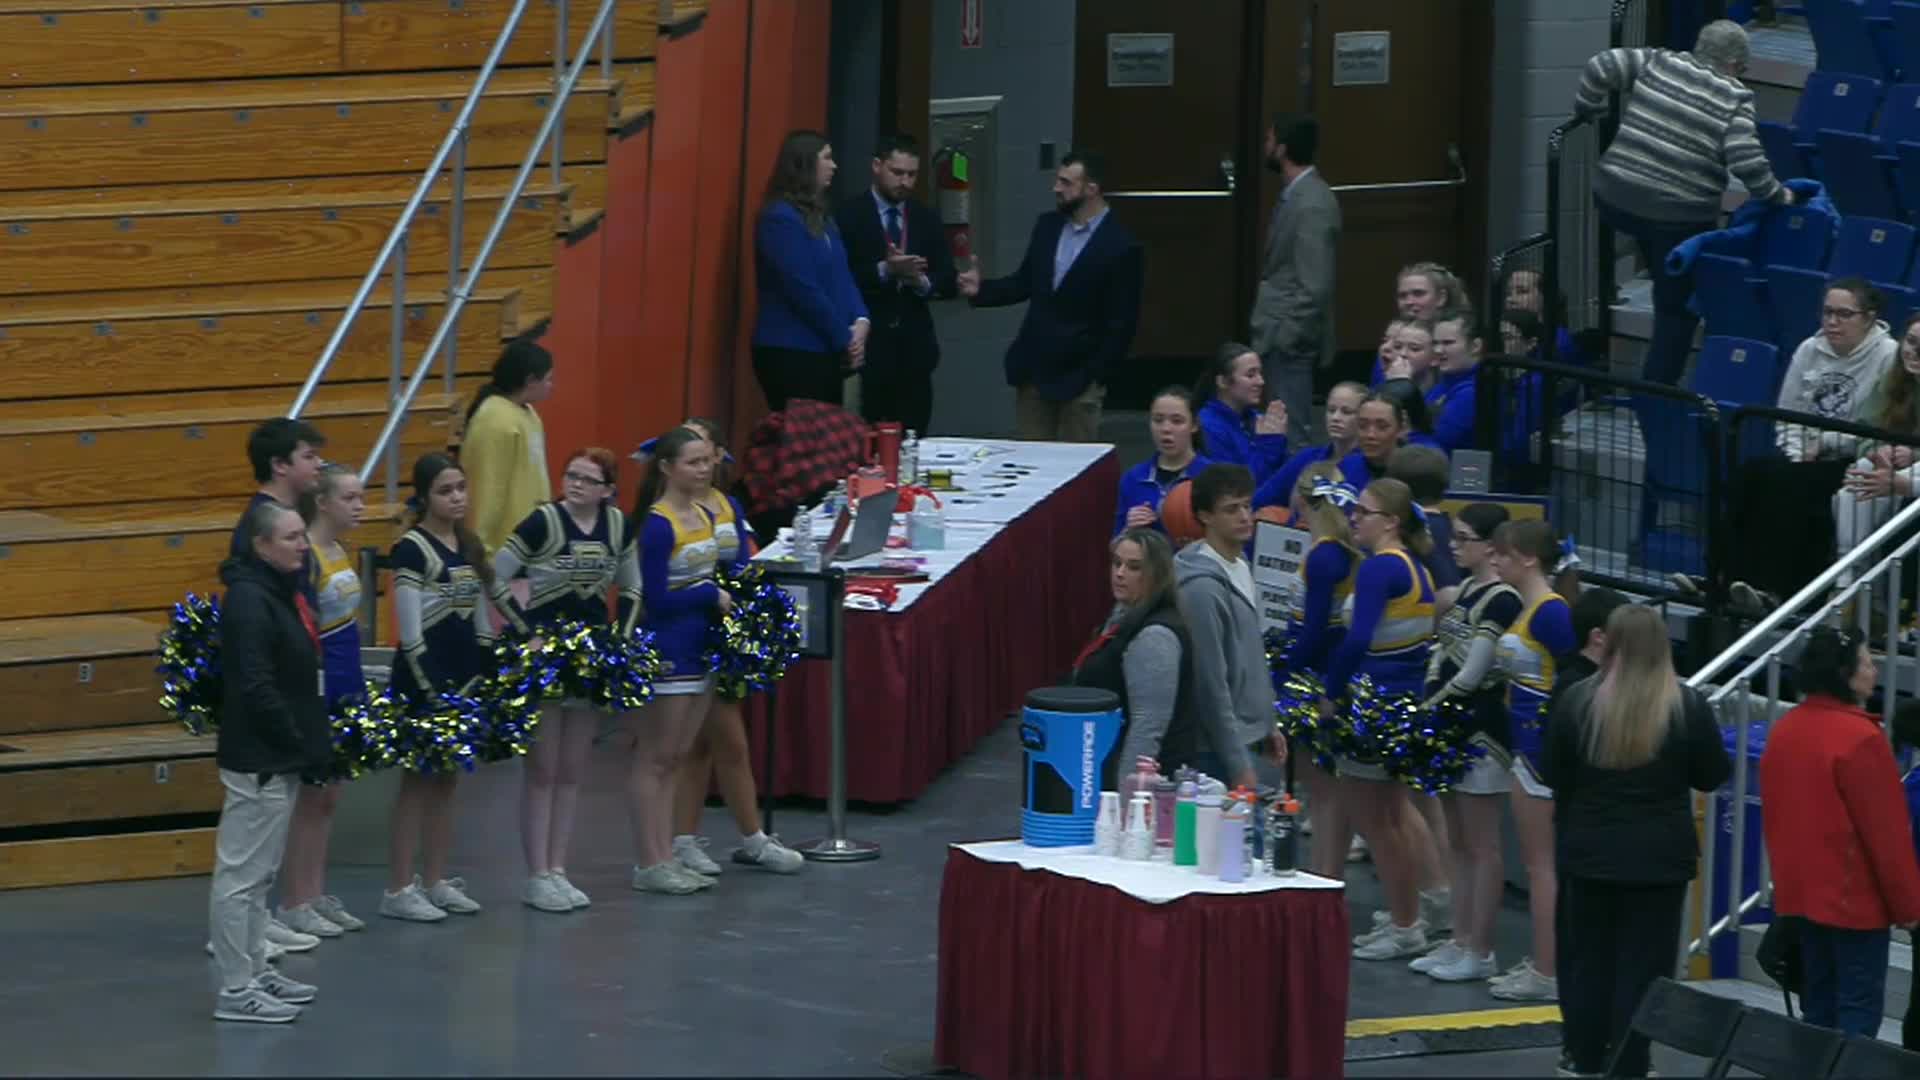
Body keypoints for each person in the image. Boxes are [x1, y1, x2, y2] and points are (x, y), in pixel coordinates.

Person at [1544, 604, 1732, 1078]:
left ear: (1609, 642)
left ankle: (1582, 1057)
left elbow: (1553, 773)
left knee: (1586, 964)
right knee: (1644, 972)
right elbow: (1712, 776)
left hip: (1587, 855)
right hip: (1658, 862)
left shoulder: (1575, 701)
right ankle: (1631, 1063)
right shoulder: (1687, 706)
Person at [1573, 19, 1792, 385]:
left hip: (1614, 194)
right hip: (1675, 216)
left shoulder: (1660, 61)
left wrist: (1588, 108)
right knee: (1676, 311)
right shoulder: (1734, 96)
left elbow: (1602, 65)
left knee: (1652, 241)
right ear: (1736, 65)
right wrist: (1777, 194)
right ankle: (1656, 396)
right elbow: (1747, 161)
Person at [489, 447, 644, 912]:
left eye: (587, 479)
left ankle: (558, 868)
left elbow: (633, 587)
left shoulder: (618, 526)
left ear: (607, 490)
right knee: (543, 769)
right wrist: (525, 634)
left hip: (590, 656)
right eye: (570, 475)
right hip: (545, 655)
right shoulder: (542, 523)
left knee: (573, 770)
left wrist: (621, 640)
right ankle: (536, 873)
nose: (575, 484)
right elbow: (494, 577)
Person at [1760, 627, 1920, 1037]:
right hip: (1855, 904)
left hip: (1803, 898)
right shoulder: (1861, 740)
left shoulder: (1786, 730)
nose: (1875, 667)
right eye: (1867, 661)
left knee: (1818, 1009)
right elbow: (1888, 839)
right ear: (1846, 673)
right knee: (1855, 1016)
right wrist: (1910, 908)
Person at [208, 500, 331, 1023]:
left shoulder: (275, 592)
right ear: (260, 545)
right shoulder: (250, 601)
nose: (302, 545)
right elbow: (256, 684)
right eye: (291, 538)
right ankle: (236, 990)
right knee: (240, 878)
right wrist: (296, 741)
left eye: (304, 536)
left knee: (260, 876)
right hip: (259, 756)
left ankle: (255, 969)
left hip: (277, 755)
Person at [669, 418, 805, 878]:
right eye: (691, 453)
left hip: (727, 632)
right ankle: (751, 838)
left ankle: (683, 840)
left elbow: (744, 564)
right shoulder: (667, 512)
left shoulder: (727, 504)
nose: (700, 462)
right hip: (691, 632)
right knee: (727, 741)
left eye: (705, 452)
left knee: (704, 747)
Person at [1727, 279, 1897, 610]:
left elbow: (1873, 428)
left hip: (1852, 458)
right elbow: (1787, 414)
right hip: (1804, 457)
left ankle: (1775, 591)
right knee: (1750, 473)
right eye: (1827, 312)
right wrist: (1795, 456)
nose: (1832, 322)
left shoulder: (1888, 355)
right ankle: (1724, 578)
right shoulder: (1809, 348)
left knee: (1792, 486)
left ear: (1869, 318)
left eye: (1844, 314)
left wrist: (1826, 442)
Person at [380, 453, 500, 922]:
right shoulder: (411, 549)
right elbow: (409, 634)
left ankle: (434, 879)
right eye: (445, 491)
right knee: (416, 783)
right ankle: (397, 888)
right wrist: (434, 693)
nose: (456, 498)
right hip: (425, 681)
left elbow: (479, 619)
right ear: (424, 497)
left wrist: (485, 673)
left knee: (448, 783)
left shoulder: (467, 545)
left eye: (461, 489)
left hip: (464, 679)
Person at [957, 150, 1144, 442]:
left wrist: (1097, 375)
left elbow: (1122, 322)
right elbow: (1024, 283)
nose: (1056, 188)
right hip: (1035, 371)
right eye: (1058, 180)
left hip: (1080, 376)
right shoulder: (1048, 226)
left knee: (1074, 468)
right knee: (1031, 462)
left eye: (1066, 183)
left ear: (1091, 189)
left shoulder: (1121, 246)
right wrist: (982, 290)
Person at [1329, 478, 1442, 960]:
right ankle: (1406, 917)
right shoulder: (1417, 568)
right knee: (1393, 818)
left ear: (1391, 521)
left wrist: (1330, 692)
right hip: (1403, 702)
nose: (1354, 517)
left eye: (1365, 511)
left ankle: (1404, 924)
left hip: (1375, 704)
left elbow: (1356, 641)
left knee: (1379, 824)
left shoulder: (1378, 570)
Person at [1415, 504, 1522, 984]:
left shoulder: (1501, 599)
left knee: (1482, 844)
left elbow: (1474, 671)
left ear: (1490, 546)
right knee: (1458, 841)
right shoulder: (1468, 591)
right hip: (1451, 720)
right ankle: (1458, 939)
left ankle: (1481, 949)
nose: (1453, 546)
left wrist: (1425, 711)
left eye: (1462, 539)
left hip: (1478, 726)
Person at [628, 428, 733, 894]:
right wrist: (709, 594)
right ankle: (649, 861)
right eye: (693, 462)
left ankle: (666, 853)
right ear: (668, 468)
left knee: (676, 757)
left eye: (707, 460)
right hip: (669, 650)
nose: (704, 469)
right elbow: (654, 599)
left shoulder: (702, 514)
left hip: (700, 647)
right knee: (655, 758)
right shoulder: (657, 524)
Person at [274, 464, 368, 940]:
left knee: (330, 796)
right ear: (324, 502)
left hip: (347, 681)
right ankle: (295, 901)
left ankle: (314, 891)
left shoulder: (339, 550)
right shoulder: (306, 556)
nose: (360, 506)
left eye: (361, 497)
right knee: (311, 797)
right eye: (349, 498)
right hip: (321, 684)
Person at [1488, 519, 1578, 1002]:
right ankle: (1546, 963)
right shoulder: (1531, 609)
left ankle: (1548, 971)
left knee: (1543, 867)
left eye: (1502, 553)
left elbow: (1575, 676)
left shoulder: (1550, 613)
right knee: (1540, 864)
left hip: (1541, 753)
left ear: (1527, 558)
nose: (1495, 559)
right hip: (1527, 746)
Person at [833, 132, 957, 434]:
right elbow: (838, 278)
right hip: (870, 348)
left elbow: (947, 278)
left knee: (915, 438)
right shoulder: (848, 215)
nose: (904, 182)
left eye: (911, 175)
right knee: (869, 440)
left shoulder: (925, 218)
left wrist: (921, 281)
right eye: (897, 172)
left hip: (915, 351)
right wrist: (885, 270)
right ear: (877, 166)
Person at [1171, 464, 1286, 788]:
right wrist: (1237, 764)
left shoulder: (1239, 565)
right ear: (1204, 516)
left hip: (1250, 736)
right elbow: (1211, 683)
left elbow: (1250, 657)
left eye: (1247, 506)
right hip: (1219, 751)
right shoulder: (1201, 589)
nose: (1245, 517)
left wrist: (1268, 724)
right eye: (1231, 509)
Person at [752, 130, 871, 411]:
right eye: (827, 158)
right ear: (804, 164)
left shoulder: (823, 219)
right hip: (792, 350)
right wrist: (845, 338)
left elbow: (842, 276)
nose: (834, 166)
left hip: (826, 350)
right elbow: (802, 288)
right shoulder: (779, 219)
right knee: (804, 443)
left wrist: (862, 321)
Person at [1279, 464, 1359, 879]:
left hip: (1316, 671)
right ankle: (1323, 871)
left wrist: (1284, 669)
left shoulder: (1325, 555)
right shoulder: (1329, 550)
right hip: (1319, 666)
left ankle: (1323, 874)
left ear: (1303, 498)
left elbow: (1312, 629)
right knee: (1324, 785)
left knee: (1324, 785)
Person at [1071, 528, 1199, 774]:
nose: (1119, 573)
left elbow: (1147, 728)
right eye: (1117, 563)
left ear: (1156, 575)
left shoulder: (1155, 636)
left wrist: (1128, 803)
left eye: (1134, 567)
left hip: (1139, 785)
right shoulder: (1124, 613)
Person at [1250, 113, 1339, 446]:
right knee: (1279, 425)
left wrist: (1285, 336)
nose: (1266, 147)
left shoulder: (1312, 203)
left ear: (1283, 148)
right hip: (1280, 335)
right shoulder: (1296, 195)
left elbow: (1314, 284)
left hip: (1289, 339)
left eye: (1270, 140)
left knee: (1290, 433)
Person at [1837, 313, 1920, 577]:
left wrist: (1914, 453)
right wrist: (1877, 450)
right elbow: (1865, 431)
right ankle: (1846, 584)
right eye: (1911, 341)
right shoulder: (1892, 379)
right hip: (1895, 467)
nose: (1915, 351)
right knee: (1857, 481)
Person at [462, 337, 555, 557]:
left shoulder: (528, 414)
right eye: (548, 379)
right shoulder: (494, 419)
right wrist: (481, 553)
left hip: (530, 545)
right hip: (502, 550)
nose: (552, 386)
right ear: (531, 380)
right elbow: (486, 490)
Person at [1254, 381, 1366, 515]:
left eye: (1346, 412)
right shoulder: (1307, 457)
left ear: (1364, 418)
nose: (1335, 418)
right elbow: (1260, 500)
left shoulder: (1370, 465)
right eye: (1331, 410)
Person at [1115, 386, 1213, 537]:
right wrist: (1128, 530)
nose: (1166, 428)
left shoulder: (1213, 476)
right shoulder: (1133, 478)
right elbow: (1115, 547)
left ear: (1194, 425)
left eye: (1177, 421)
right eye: (1158, 420)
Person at [1196, 342, 1290, 485]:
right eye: (1251, 375)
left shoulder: (1255, 419)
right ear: (1222, 382)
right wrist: (1271, 443)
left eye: (1260, 373)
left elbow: (1283, 477)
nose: (1261, 381)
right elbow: (1240, 488)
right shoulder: (1208, 425)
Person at [1426, 309, 1484, 453]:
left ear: (1476, 346)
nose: (1438, 350)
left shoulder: (1474, 391)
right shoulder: (1442, 385)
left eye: (1448, 343)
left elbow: (1439, 443)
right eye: (1435, 343)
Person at [1396, 262, 1462, 322]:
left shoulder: (1462, 333)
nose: (1408, 302)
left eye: (1418, 293)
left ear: (1441, 298)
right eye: (1403, 296)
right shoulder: (1393, 333)